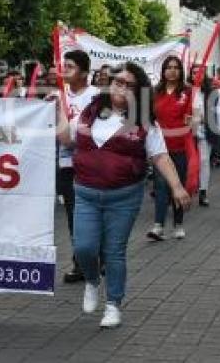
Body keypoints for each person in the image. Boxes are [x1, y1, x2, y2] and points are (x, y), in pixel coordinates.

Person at [55, 62, 191, 328]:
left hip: (124, 197)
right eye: (118, 82)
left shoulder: (143, 121)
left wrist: (177, 186)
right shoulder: (89, 112)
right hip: (85, 193)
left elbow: (160, 156)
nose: (122, 88)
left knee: (114, 252)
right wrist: (57, 113)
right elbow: (68, 141)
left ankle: (113, 305)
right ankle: (93, 281)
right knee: (84, 248)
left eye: (129, 85)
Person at [53, 50, 100, 283]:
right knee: (74, 215)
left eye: (70, 66)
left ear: (83, 71)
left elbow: (82, 134)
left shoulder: (97, 97)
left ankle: (99, 256)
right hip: (67, 164)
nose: (64, 70)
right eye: (64, 66)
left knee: (94, 213)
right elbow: (63, 140)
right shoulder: (57, 97)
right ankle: (80, 262)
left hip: (92, 164)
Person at [148, 56, 191, 240]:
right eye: (168, 67)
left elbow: (194, 117)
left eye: (176, 67)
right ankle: (158, 225)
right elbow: (148, 116)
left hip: (179, 146)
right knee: (160, 186)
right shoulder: (155, 92)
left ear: (180, 71)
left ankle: (178, 224)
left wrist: (193, 119)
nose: (172, 70)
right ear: (163, 70)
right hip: (159, 148)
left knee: (177, 184)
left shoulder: (187, 92)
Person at [189, 65, 214, 206]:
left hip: (204, 131)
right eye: (194, 73)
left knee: (204, 161)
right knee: (187, 162)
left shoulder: (210, 93)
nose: (197, 76)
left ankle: (203, 191)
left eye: (200, 73)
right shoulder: (186, 91)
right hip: (187, 131)